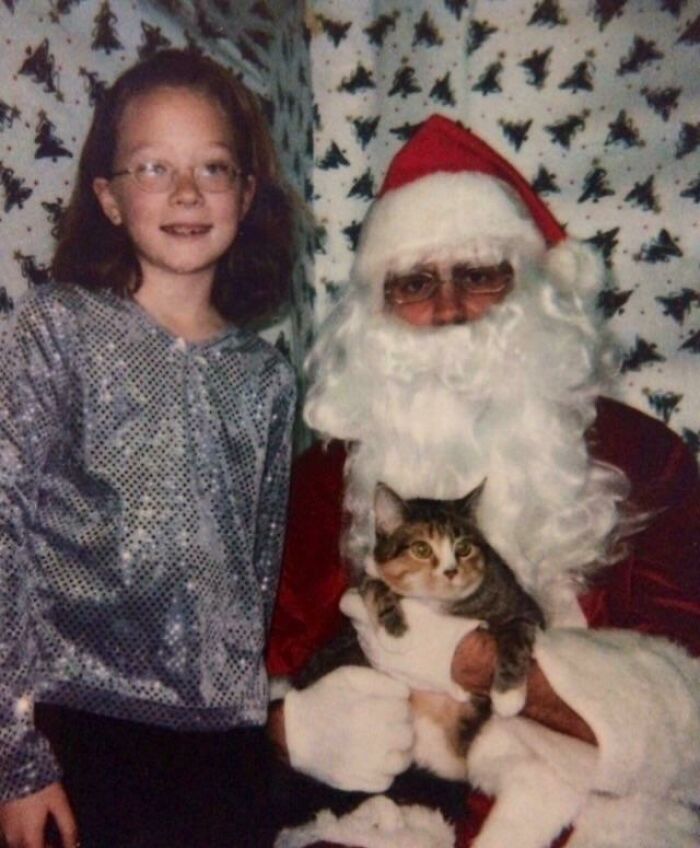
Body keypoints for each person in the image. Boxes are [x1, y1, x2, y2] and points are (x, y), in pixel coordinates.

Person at [265, 115, 700, 846]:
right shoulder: (323, 482)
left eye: (479, 274)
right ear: (376, 311)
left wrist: (480, 664)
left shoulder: (641, 458)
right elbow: (222, 690)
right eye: (414, 283)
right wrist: (288, 731)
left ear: (534, 288)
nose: (446, 310)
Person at [0, 49, 296, 848]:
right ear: (108, 196)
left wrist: (249, 730)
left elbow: (255, 578)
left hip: (218, 751)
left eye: (213, 167)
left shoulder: (265, 375)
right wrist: (16, 757)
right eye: (153, 168)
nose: (188, 192)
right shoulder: (58, 329)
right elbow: (5, 540)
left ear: (246, 192)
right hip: (76, 727)